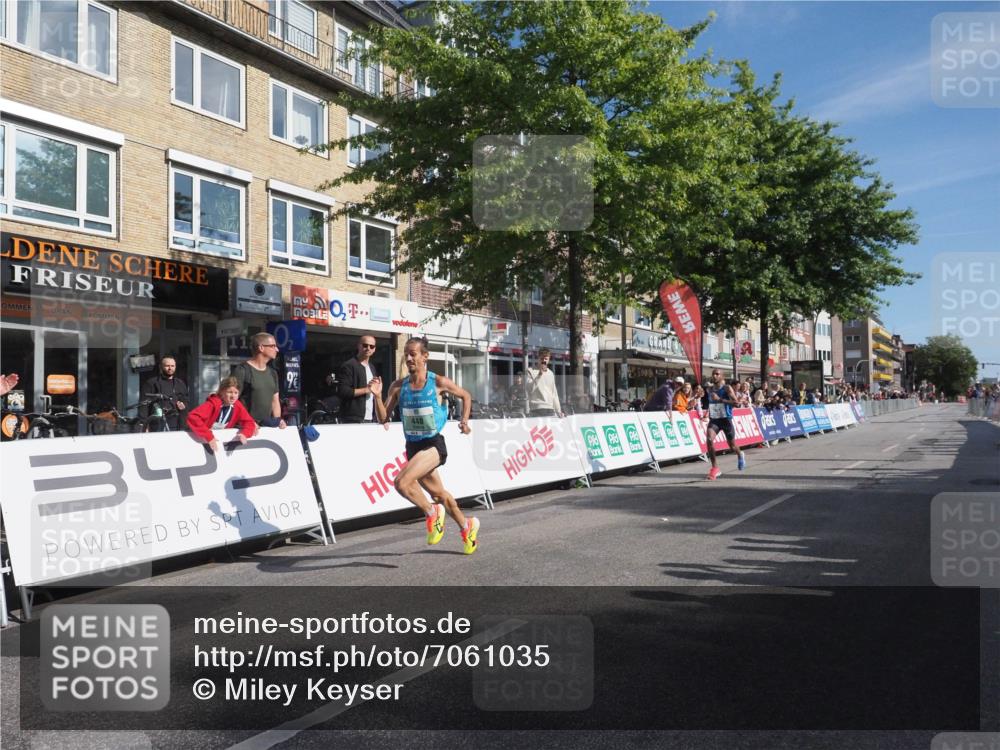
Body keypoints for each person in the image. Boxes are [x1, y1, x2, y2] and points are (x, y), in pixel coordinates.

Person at [375, 337, 480, 555]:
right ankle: (467, 526)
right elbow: (383, 418)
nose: (409, 358)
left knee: (402, 483)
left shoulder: (438, 382)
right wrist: (376, 396)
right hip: (413, 446)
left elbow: (466, 396)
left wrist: (464, 420)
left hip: (433, 445)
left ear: (425, 356)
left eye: (413, 353)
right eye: (407, 353)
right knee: (440, 494)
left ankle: (432, 513)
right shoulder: (398, 386)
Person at [186, 377, 258, 453]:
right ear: (222, 392)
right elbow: (193, 417)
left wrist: (245, 434)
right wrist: (208, 436)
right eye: (229, 392)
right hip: (201, 440)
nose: (233, 396)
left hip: (219, 442)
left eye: (236, 393)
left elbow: (249, 422)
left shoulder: (237, 406)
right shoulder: (213, 404)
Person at [231, 332, 286, 429]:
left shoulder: (273, 373)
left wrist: (277, 421)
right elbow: (231, 400)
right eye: (273, 346)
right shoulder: (242, 370)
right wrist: (247, 422)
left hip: (267, 429)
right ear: (261, 348)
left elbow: (275, 401)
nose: (277, 349)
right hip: (246, 430)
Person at [705, 368, 746, 480]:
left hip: (726, 420)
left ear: (722, 376)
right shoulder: (709, 389)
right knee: (709, 439)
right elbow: (710, 404)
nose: (714, 376)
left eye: (717, 374)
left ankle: (740, 454)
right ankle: (715, 468)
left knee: (732, 446)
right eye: (713, 374)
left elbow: (737, 404)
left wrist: (720, 399)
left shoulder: (727, 388)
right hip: (714, 420)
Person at [336, 334, 383, 424]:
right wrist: (367, 389)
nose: (368, 348)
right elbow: (343, 391)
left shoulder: (372, 367)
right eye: (365, 345)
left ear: (374, 349)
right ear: (359, 346)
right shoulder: (349, 365)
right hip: (352, 418)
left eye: (371, 346)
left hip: (370, 418)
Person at [141, 355, 189, 430]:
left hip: (177, 424)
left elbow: (185, 401)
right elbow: (143, 406)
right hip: (157, 425)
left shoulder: (180, 383)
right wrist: (144, 426)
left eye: (172, 366)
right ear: (161, 367)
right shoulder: (151, 383)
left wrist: (183, 405)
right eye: (167, 366)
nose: (170, 368)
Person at [526, 348, 562, 417]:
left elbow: (554, 393)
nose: (544, 361)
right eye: (542, 358)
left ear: (549, 359)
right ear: (538, 358)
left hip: (550, 408)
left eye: (546, 359)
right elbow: (529, 389)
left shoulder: (550, 373)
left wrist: (558, 410)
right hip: (536, 408)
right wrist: (539, 375)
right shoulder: (530, 371)